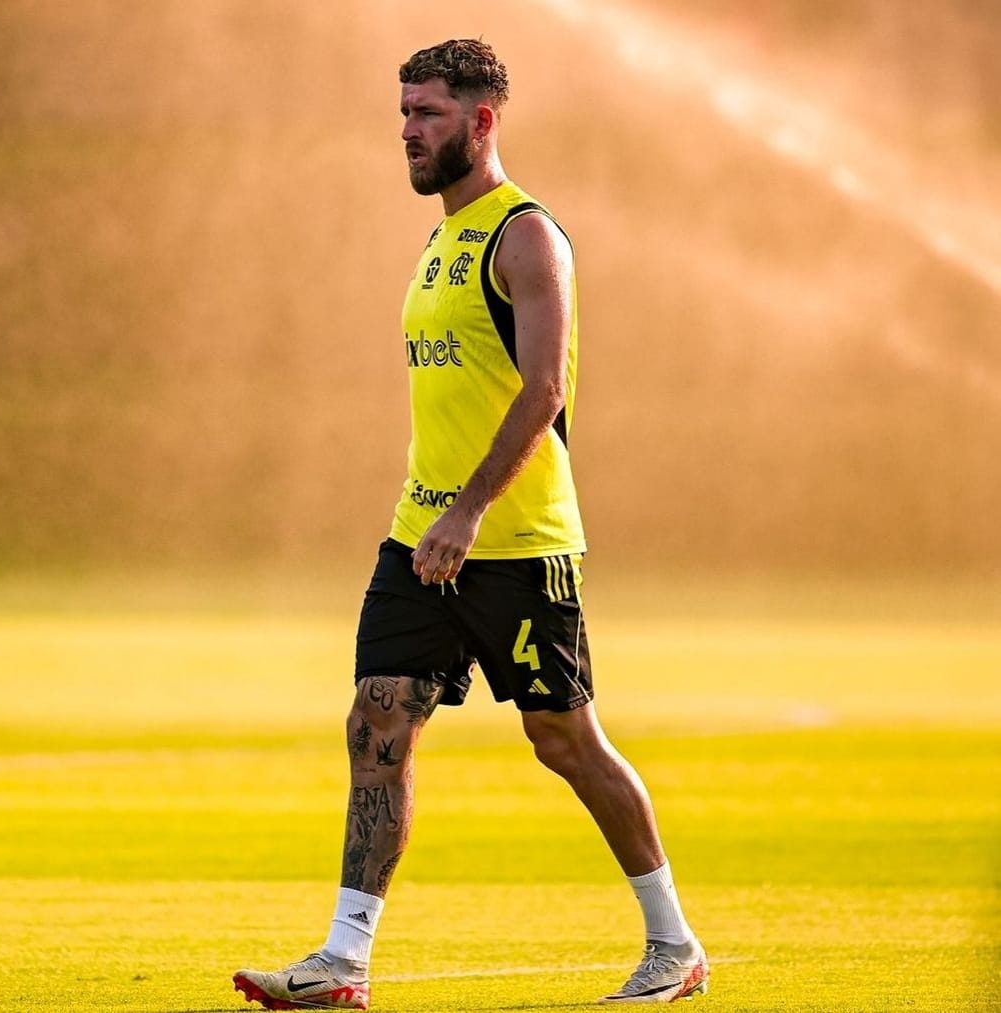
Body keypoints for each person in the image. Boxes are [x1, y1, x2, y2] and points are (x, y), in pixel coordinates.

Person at [233, 38, 708, 1010]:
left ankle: (673, 944)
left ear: (480, 121)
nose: (407, 132)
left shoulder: (522, 235)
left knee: (561, 737)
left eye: (428, 115)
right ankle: (342, 960)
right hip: (419, 541)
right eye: (402, 113)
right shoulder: (436, 241)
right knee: (377, 723)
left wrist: (469, 507)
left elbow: (542, 390)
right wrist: (432, 514)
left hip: (516, 543)